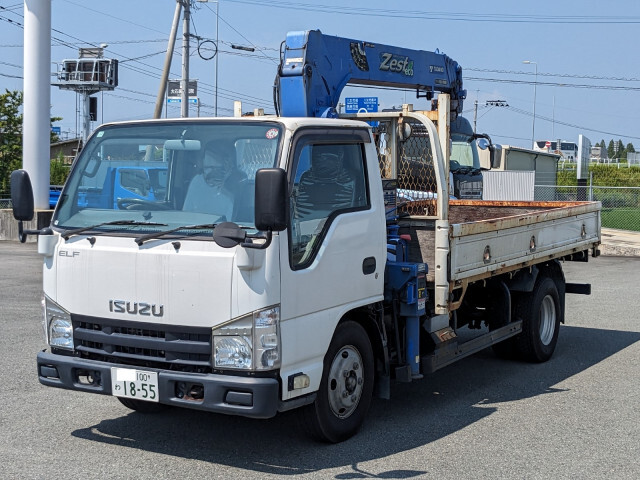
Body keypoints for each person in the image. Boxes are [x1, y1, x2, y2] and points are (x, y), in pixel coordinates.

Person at [183, 142, 243, 220]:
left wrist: (225, 189)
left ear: (229, 164)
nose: (212, 170)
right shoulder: (197, 181)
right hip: (194, 228)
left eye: (218, 166)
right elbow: (186, 213)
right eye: (208, 165)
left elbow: (230, 222)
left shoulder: (237, 184)